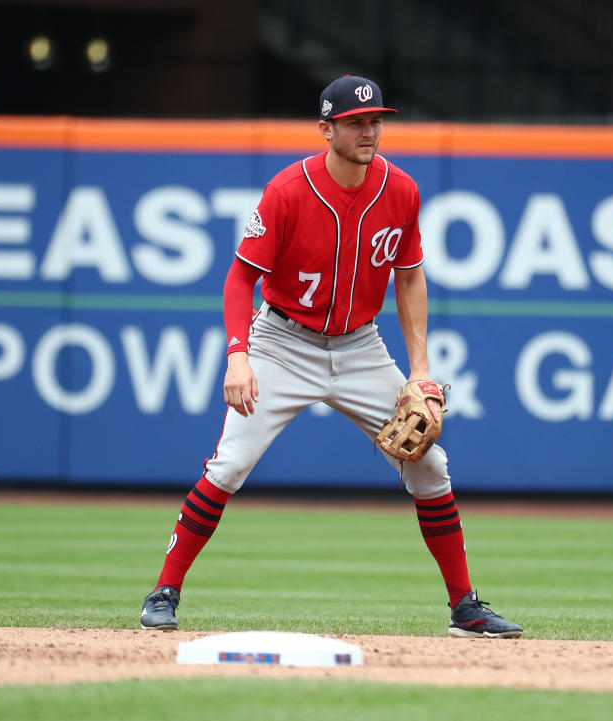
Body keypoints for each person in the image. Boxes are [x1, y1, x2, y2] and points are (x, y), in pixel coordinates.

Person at [139, 75, 523, 639]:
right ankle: (164, 591)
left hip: (360, 345)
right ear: (326, 129)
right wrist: (238, 355)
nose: (369, 131)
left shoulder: (402, 190)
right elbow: (239, 277)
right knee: (230, 465)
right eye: (355, 122)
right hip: (283, 342)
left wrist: (419, 369)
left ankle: (464, 606)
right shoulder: (287, 191)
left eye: (375, 121)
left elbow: (410, 276)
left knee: (430, 464)